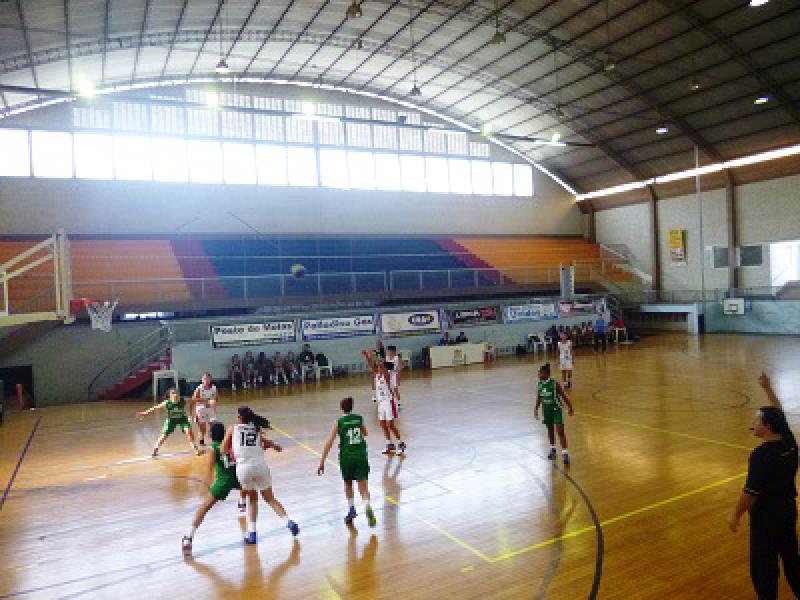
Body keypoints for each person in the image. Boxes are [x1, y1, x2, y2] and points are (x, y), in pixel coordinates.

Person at [728, 372, 800, 599]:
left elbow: (750, 493)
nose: (753, 423)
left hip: (766, 519)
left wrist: (735, 515)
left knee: (764, 570)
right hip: (788, 511)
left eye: (757, 420)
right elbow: (779, 414)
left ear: (767, 427)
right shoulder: (788, 441)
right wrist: (767, 388)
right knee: (792, 562)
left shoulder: (762, 455)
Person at [222, 406, 300, 544]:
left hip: (243, 468)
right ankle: (288, 522)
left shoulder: (232, 429)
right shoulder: (257, 429)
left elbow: (223, 450)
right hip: (260, 466)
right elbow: (264, 442)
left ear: (240, 417)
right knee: (270, 499)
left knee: (252, 500)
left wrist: (232, 451)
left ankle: (252, 534)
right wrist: (274, 445)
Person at [182, 421, 240, 556]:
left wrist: (205, 486)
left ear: (211, 434)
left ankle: (188, 537)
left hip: (223, 481)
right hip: (238, 477)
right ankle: (250, 527)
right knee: (252, 495)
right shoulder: (233, 444)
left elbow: (209, 469)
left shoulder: (214, 449)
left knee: (204, 507)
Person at [317, 396, 377, 527]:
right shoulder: (359, 418)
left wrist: (322, 460)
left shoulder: (339, 422)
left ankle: (351, 509)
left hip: (347, 456)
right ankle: (367, 506)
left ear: (341, 408)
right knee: (363, 487)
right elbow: (366, 433)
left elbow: (329, 442)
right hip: (360, 455)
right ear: (352, 407)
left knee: (348, 483)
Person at [362, 349, 405, 456]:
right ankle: (389, 443)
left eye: (381, 367)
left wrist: (375, 355)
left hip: (389, 402)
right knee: (382, 424)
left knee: (391, 425)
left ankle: (401, 443)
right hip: (381, 403)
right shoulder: (377, 375)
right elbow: (370, 366)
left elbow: (380, 364)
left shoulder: (387, 375)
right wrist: (366, 356)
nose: (378, 368)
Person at [137, 388, 200, 457]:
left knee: (189, 431)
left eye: (176, 393)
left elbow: (194, 400)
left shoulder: (183, 400)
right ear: (170, 395)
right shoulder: (167, 403)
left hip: (182, 419)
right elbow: (155, 408)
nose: (175, 395)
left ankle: (194, 447)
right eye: (173, 393)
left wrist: (206, 400)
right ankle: (156, 449)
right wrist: (145, 413)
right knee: (164, 435)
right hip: (171, 420)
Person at [533, 363, 574, 465]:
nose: (538, 374)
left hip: (556, 410)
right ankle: (553, 449)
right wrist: (536, 409)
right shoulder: (539, 384)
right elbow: (539, 398)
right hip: (546, 411)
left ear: (546, 374)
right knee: (550, 430)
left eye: (540, 372)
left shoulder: (554, 384)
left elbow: (563, 396)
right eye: (538, 372)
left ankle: (565, 453)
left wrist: (570, 407)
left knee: (560, 431)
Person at [190, 372, 218, 446]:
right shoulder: (199, 388)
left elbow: (216, 398)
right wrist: (191, 414)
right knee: (203, 429)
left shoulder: (214, 388)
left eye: (208, 379)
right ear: (202, 380)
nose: (206, 380)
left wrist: (214, 402)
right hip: (200, 410)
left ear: (210, 380)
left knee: (214, 426)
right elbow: (193, 400)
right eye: (205, 379)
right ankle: (201, 442)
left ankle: (214, 442)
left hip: (211, 409)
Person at [386, 345, 402, 411]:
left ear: (392, 351)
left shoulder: (397, 358)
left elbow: (399, 368)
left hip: (394, 375)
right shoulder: (387, 357)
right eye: (387, 351)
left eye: (388, 351)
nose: (387, 352)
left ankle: (399, 403)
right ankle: (391, 403)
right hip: (388, 376)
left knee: (395, 390)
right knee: (389, 390)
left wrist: (398, 378)